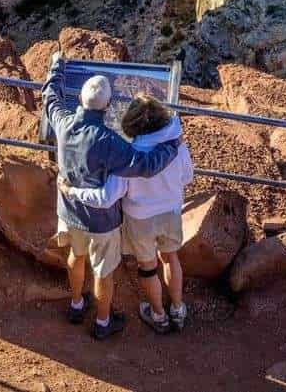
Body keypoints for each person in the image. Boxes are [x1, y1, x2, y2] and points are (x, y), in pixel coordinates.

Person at [41, 54, 181, 340]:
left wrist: (56, 64)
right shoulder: (111, 142)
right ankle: (103, 322)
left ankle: (77, 303)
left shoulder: (63, 122)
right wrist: (172, 146)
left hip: (69, 211)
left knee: (75, 256)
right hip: (101, 221)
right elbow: (147, 166)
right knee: (103, 272)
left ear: (79, 99)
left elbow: (50, 95)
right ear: (107, 106)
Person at [59, 94, 193, 335]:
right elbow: (187, 178)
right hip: (171, 212)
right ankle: (177, 309)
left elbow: (108, 197)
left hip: (139, 219)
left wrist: (72, 191)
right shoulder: (177, 146)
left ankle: (159, 316)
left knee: (148, 267)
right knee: (171, 258)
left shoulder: (128, 156)